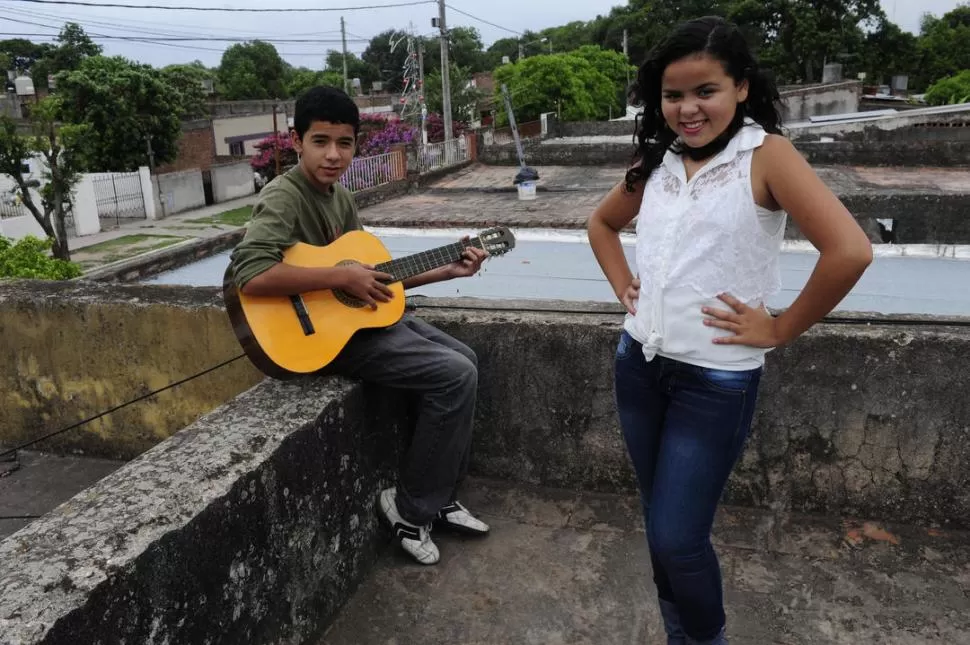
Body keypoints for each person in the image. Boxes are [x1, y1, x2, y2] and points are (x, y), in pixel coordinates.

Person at [587, 16, 872, 645]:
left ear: (741, 87)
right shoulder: (657, 158)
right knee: (658, 523)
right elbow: (600, 224)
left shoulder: (766, 156)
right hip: (638, 364)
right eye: (672, 95)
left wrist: (780, 328)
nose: (687, 109)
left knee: (677, 538)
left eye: (705, 91)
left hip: (714, 381)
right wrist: (624, 286)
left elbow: (850, 251)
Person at [229, 86, 491, 566]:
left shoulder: (341, 199)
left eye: (344, 143)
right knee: (455, 375)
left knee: (466, 359)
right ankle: (409, 510)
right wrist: (339, 277)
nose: (333, 155)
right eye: (320, 141)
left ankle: (439, 494)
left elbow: (372, 278)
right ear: (297, 141)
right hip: (320, 341)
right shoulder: (284, 196)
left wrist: (448, 270)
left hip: (353, 323)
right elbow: (250, 274)